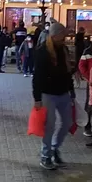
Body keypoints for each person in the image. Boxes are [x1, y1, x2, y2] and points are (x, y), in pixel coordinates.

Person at [32, 21, 75, 170]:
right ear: (55, 35)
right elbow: (37, 76)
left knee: (67, 122)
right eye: (62, 35)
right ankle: (46, 155)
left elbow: (67, 72)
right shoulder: (43, 51)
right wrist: (37, 98)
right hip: (47, 94)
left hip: (63, 92)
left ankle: (55, 148)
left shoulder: (63, 50)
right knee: (49, 126)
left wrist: (72, 91)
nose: (65, 38)